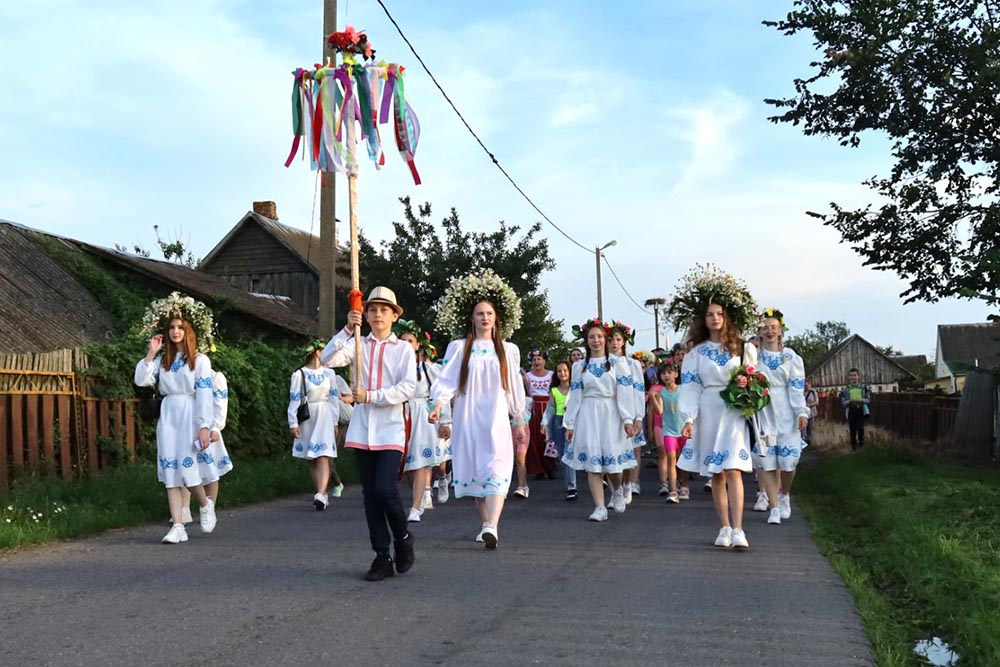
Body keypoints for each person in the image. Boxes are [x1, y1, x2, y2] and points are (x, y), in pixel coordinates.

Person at [323, 287, 416, 582]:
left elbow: (407, 388)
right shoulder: (357, 344)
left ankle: (402, 536)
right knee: (370, 496)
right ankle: (381, 556)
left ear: (394, 316)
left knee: (384, 489)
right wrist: (346, 329)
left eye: (384, 310)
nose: (378, 315)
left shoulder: (403, 349)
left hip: (390, 428)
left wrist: (371, 395)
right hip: (363, 430)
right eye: (372, 309)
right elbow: (327, 358)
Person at [429, 269, 527, 550]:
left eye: (489, 313)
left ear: (496, 318)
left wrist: (518, 419)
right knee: (475, 467)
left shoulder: (507, 349)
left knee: (496, 465)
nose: (485, 317)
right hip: (469, 414)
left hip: (496, 415)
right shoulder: (460, 348)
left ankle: (493, 525)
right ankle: (485, 522)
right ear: (472, 318)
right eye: (480, 313)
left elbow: (513, 386)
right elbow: (447, 379)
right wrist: (438, 405)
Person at [669, 266, 759, 550]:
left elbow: (756, 381)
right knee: (717, 472)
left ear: (727, 317)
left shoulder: (743, 348)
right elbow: (691, 386)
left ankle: (739, 529)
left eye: (720, 313)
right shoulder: (696, 353)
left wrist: (746, 387)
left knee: (734, 469)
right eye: (710, 314)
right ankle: (724, 527)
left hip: (733, 411)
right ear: (703, 319)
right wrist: (689, 418)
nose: (715, 318)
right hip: (708, 410)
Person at [134, 292, 219, 544]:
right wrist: (151, 353)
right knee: (170, 469)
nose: (175, 331)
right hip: (169, 414)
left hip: (190, 414)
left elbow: (205, 394)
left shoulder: (200, 361)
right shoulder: (164, 361)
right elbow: (141, 380)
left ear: (189, 330)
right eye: (171, 327)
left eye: (180, 327)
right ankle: (178, 526)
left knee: (187, 468)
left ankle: (204, 504)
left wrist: (204, 426)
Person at [561, 318, 637, 521]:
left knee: (613, 464)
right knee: (593, 463)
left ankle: (617, 489)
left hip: (611, 413)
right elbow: (575, 395)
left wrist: (628, 419)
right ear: (586, 341)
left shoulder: (617, 363)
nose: (596, 341)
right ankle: (600, 507)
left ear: (605, 339)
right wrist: (570, 423)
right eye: (591, 337)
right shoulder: (579, 366)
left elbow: (625, 393)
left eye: (599, 336)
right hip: (588, 413)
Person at [753, 309, 810, 524]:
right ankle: (774, 507)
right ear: (760, 331)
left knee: (788, 462)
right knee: (767, 462)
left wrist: (801, 411)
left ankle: (784, 493)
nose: (769, 331)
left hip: (786, 413)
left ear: (780, 330)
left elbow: (796, 387)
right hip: (764, 413)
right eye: (765, 328)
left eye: (773, 327)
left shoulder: (791, 357)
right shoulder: (753, 357)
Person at [395, 320, 448, 523]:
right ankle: (420, 493)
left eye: (410, 341)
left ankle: (417, 506)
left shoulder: (427, 369)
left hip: (421, 414)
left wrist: (445, 420)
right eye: (403, 341)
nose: (407, 344)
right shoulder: (394, 367)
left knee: (419, 462)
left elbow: (441, 394)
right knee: (406, 465)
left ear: (418, 345)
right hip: (399, 413)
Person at [288, 340, 350, 511]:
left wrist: (335, 420)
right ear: (316, 353)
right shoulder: (299, 374)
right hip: (308, 416)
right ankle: (320, 493)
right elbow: (294, 399)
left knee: (323, 455)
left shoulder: (329, 374)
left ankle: (321, 494)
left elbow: (333, 398)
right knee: (312, 458)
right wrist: (293, 422)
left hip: (324, 415)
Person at [607, 321, 645, 503]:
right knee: (610, 453)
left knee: (628, 451)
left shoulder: (632, 364)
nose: (614, 343)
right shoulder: (603, 363)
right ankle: (615, 491)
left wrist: (638, 416)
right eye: (611, 340)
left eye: (617, 339)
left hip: (629, 410)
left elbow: (638, 389)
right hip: (609, 411)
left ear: (624, 342)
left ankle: (628, 483)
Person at [650, 361, 687, 503]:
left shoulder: (682, 390)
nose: (666, 376)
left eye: (669, 373)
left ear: (676, 374)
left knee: (683, 458)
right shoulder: (661, 392)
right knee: (671, 457)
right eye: (663, 373)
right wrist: (653, 397)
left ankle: (684, 485)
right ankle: (673, 491)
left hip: (683, 429)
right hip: (669, 430)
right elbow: (659, 411)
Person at [540, 360, 577, 500]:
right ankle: (568, 485)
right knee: (562, 456)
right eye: (559, 371)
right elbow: (550, 409)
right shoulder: (554, 390)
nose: (562, 373)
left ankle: (572, 487)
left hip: (571, 423)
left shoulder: (575, 389)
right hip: (558, 422)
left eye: (565, 370)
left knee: (568, 454)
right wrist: (544, 423)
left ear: (570, 372)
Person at [521, 348, 555, 493]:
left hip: (548, 406)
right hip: (533, 408)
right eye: (534, 360)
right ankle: (538, 468)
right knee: (535, 438)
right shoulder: (527, 376)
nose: (536, 362)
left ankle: (550, 466)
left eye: (539, 359)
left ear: (544, 361)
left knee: (548, 437)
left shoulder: (552, 374)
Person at [840, 368, 871, 450]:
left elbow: (868, 400)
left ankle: (861, 446)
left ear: (858, 376)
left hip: (861, 409)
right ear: (848, 377)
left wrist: (861, 400)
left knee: (861, 428)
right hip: (851, 410)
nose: (853, 377)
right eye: (851, 375)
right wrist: (850, 401)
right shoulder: (845, 389)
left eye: (854, 375)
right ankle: (854, 448)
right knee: (852, 430)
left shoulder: (864, 388)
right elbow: (843, 402)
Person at [803, 379, 819, 444]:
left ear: (810, 385)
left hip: (812, 412)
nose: (806, 387)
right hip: (804, 412)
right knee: (804, 427)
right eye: (805, 385)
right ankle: (804, 439)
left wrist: (809, 405)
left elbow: (816, 402)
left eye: (807, 385)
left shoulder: (813, 392)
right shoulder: (802, 392)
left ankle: (809, 439)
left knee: (810, 426)